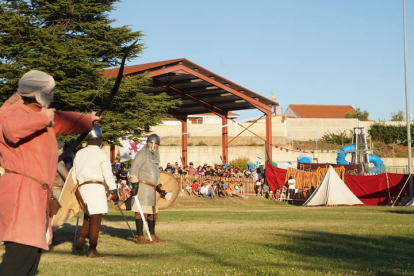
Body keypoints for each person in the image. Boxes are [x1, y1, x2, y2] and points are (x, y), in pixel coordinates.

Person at [0, 70, 100, 274]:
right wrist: (42, 118)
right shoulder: (16, 113)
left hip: (32, 195)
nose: (51, 94)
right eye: (49, 91)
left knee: (31, 254)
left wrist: (87, 120)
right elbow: (12, 130)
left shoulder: (37, 116)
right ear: (38, 92)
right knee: (19, 255)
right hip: (21, 194)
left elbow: (62, 119)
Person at [72, 126, 118, 258]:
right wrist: (113, 189)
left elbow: (74, 174)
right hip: (95, 187)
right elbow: (107, 174)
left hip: (81, 187)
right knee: (96, 218)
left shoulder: (79, 153)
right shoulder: (101, 154)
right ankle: (92, 249)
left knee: (88, 217)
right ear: (99, 139)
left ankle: (80, 240)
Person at [129, 134, 166, 244]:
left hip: (151, 188)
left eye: (156, 144)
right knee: (141, 212)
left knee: (152, 213)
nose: (153, 146)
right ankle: (140, 237)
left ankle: (152, 235)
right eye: (151, 143)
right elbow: (134, 169)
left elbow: (155, 173)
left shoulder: (155, 155)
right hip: (143, 186)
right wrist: (135, 185)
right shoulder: (142, 153)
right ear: (148, 143)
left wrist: (158, 187)